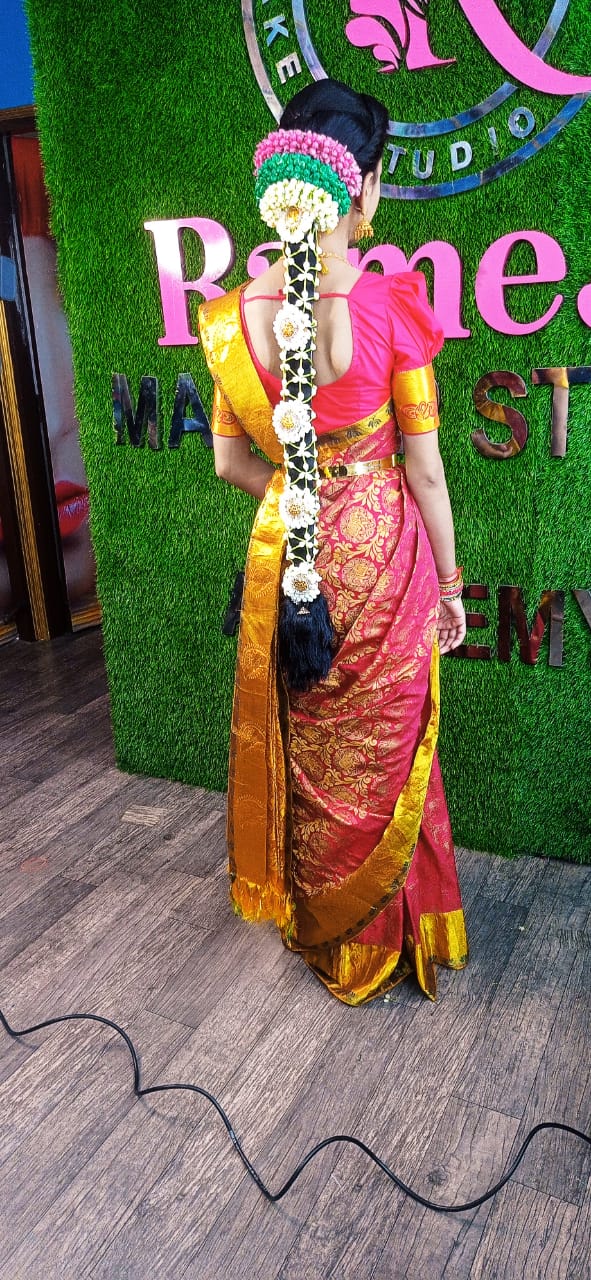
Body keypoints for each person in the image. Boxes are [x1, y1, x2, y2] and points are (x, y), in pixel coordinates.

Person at [198, 79, 468, 1004]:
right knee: (385, 754)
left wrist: (300, 494)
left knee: (311, 748)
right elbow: (425, 473)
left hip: (291, 561)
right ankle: (387, 943)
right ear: (366, 188)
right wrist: (452, 584)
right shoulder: (392, 305)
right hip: (383, 556)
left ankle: (320, 931)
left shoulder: (226, 318)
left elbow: (231, 463)